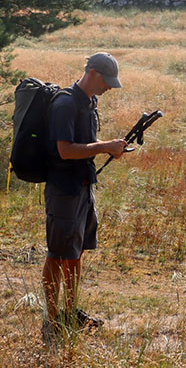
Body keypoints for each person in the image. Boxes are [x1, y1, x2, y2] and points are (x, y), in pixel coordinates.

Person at [42, 52, 127, 340]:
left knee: (75, 252)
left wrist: (109, 148)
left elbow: (86, 145)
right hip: (62, 189)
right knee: (57, 254)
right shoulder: (65, 104)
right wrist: (105, 146)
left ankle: (71, 311)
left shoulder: (90, 103)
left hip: (81, 186)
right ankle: (52, 320)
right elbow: (65, 150)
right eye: (106, 81)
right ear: (92, 73)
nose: (109, 87)